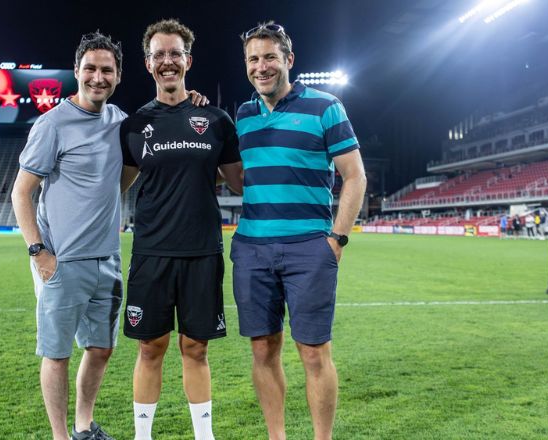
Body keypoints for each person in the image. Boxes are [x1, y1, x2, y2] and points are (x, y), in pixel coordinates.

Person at [232, 22, 366, 440]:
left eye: (270, 57)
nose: (261, 66)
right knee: (262, 350)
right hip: (252, 248)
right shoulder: (243, 115)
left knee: (313, 353)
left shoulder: (325, 106)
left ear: (289, 60)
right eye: (253, 59)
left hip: (309, 247)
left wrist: (337, 239)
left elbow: (355, 176)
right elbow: (240, 178)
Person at [119, 19, 243, 440]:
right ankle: (143, 436)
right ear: (148, 63)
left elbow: (239, 182)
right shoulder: (134, 125)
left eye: (175, 53)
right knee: (150, 348)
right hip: (151, 253)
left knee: (196, 348)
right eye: (159, 54)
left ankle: (204, 436)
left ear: (188, 60)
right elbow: (117, 185)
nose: (167, 61)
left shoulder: (216, 119)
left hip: (202, 252)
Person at [11, 31, 126, 440]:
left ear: (118, 75)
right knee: (56, 354)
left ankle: (83, 426)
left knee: (102, 349)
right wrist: (39, 252)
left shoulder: (120, 122)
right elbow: (21, 192)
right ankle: (61, 436)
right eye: (90, 68)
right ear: (76, 71)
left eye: (106, 70)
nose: (98, 77)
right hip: (62, 261)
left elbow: (121, 178)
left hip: (108, 259)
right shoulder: (53, 124)